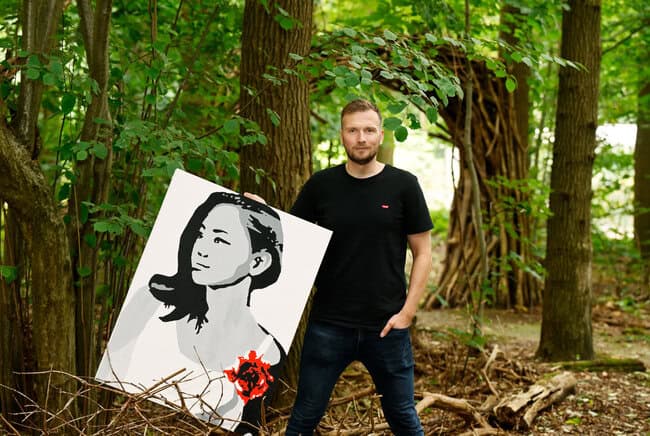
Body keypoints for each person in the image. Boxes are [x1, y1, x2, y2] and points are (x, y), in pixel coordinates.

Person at [248, 98, 433, 435]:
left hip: (387, 326)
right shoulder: (322, 185)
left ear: (379, 134)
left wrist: (407, 313)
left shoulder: (404, 185)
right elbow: (289, 235)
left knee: (404, 417)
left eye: (368, 130)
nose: (361, 137)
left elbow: (423, 252)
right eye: (353, 130)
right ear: (342, 134)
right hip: (329, 324)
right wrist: (262, 213)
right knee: (304, 417)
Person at [97, 191, 285, 434]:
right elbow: (102, 394)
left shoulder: (267, 351)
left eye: (219, 240)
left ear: (258, 262)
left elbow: (247, 429)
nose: (201, 249)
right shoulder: (150, 304)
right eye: (200, 234)